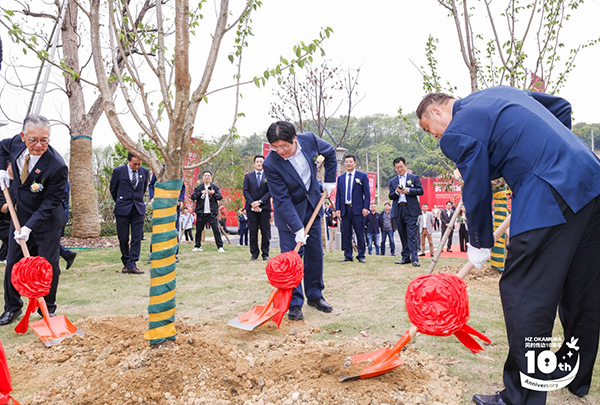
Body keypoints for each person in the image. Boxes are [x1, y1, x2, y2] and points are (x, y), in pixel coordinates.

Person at [417, 86, 600, 405]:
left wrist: (478, 242)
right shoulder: (498, 92)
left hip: (550, 192)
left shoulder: (457, 129)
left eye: (429, 131)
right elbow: (560, 107)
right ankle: (576, 377)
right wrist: (548, 156)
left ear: (435, 111)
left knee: (523, 293)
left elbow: (475, 184)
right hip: (589, 177)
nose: (436, 138)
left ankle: (521, 398)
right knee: (581, 287)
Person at [263, 120, 337, 321]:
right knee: (291, 260)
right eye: (275, 147)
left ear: (294, 139)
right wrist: (297, 228)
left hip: (313, 205)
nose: (280, 151)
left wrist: (329, 181)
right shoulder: (271, 163)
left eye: (284, 146)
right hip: (289, 215)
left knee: (315, 254)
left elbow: (330, 153)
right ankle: (295, 303)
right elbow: (282, 198)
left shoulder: (310, 140)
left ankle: (314, 295)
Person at [0, 114, 68, 325]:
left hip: (47, 221)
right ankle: (12, 308)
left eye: (44, 140)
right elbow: (1, 148)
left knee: (48, 267)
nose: (39, 145)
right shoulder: (14, 143)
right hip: (19, 216)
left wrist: (30, 227)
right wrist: (2, 168)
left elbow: (51, 202)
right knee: (12, 263)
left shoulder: (57, 165)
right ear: (23, 136)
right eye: (33, 140)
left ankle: (48, 308)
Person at [110, 152, 149, 275]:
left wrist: (137, 200)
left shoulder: (145, 172)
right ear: (128, 161)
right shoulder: (118, 171)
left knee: (137, 238)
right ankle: (126, 261)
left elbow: (143, 189)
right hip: (123, 209)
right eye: (134, 164)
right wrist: (121, 201)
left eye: (139, 164)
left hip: (138, 208)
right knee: (123, 237)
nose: (137, 167)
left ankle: (132, 263)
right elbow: (113, 189)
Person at [389, 157, 423, 267]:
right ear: (395, 168)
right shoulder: (393, 181)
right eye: (397, 167)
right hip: (398, 209)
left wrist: (409, 190)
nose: (400, 169)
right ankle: (405, 257)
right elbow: (390, 196)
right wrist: (397, 192)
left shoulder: (413, 178)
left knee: (412, 234)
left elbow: (420, 191)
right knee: (402, 234)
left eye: (401, 167)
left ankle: (415, 258)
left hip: (410, 209)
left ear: (406, 166)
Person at [335, 154, 370, 263]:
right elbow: (338, 195)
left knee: (359, 233)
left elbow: (367, 194)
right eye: (346, 162)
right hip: (345, 209)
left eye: (350, 162)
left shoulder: (362, 176)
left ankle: (361, 255)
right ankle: (348, 255)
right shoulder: (340, 178)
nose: (348, 164)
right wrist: (338, 209)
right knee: (346, 234)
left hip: (358, 210)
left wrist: (366, 207)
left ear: (355, 163)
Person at [242, 155, 271, 260]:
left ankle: (265, 253)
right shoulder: (248, 176)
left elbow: (270, 191)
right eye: (257, 162)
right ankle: (254, 253)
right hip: (251, 209)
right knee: (253, 232)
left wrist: (260, 202)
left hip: (264, 208)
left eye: (261, 161)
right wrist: (252, 204)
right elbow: (246, 191)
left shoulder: (269, 176)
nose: (259, 163)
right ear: (254, 164)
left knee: (265, 232)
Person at [190, 170, 225, 253]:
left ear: (211, 177)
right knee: (198, 230)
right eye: (205, 175)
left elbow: (220, 197)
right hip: (201, 213)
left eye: (208, 176)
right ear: (202, 177)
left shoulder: (215, 187)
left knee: (216, 230)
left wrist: (213, 193)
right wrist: (200, 193)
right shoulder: (199, 187)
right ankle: (197, 246)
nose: (207, 177)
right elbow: (193, 197)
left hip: (212, 213)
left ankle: (220, 246)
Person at [59, 181, 77, 270]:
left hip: (59, 215)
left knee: (52, 241)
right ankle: (67, 254)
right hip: (60, 214)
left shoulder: (62, 181)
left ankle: (67, 254)